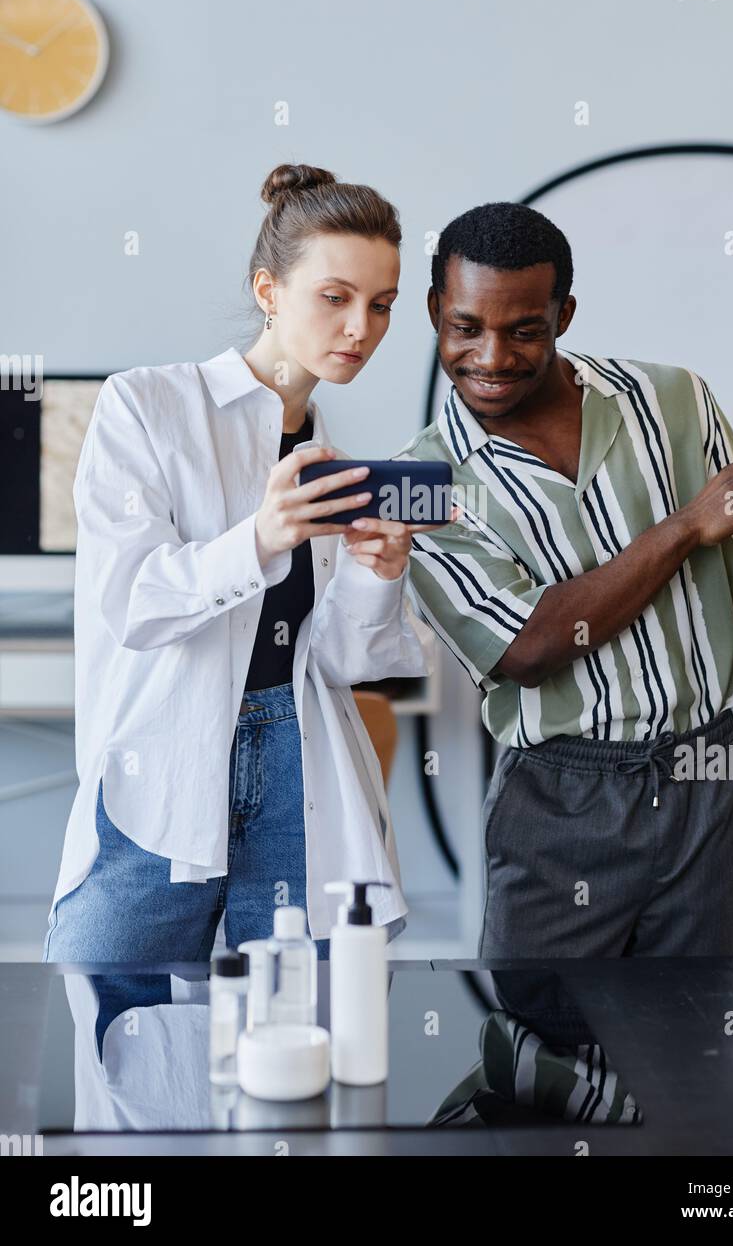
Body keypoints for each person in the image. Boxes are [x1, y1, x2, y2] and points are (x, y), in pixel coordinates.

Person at [397, 200, 733, 959]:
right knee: (547, 1038)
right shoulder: (421, 483)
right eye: (466, 327)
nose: (492, 356)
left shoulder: (675, 400)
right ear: (435, 311)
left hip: (710, 775)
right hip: (560, 800)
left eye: (525, 329)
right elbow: (528, 647)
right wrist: (684, 526)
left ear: (564, 314)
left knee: (700, 1035)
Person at [43, 162, 436, 963]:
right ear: (267, 290)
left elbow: (342, 662)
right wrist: (261, 536)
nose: (360, 326)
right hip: (164, 765)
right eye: (335, 297)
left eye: (382, 305)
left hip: (303, 767)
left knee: (302, 1040)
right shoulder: (145, 407)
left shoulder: (335, 468)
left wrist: (378, 574)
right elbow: (135, 605)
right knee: (108, 1025)